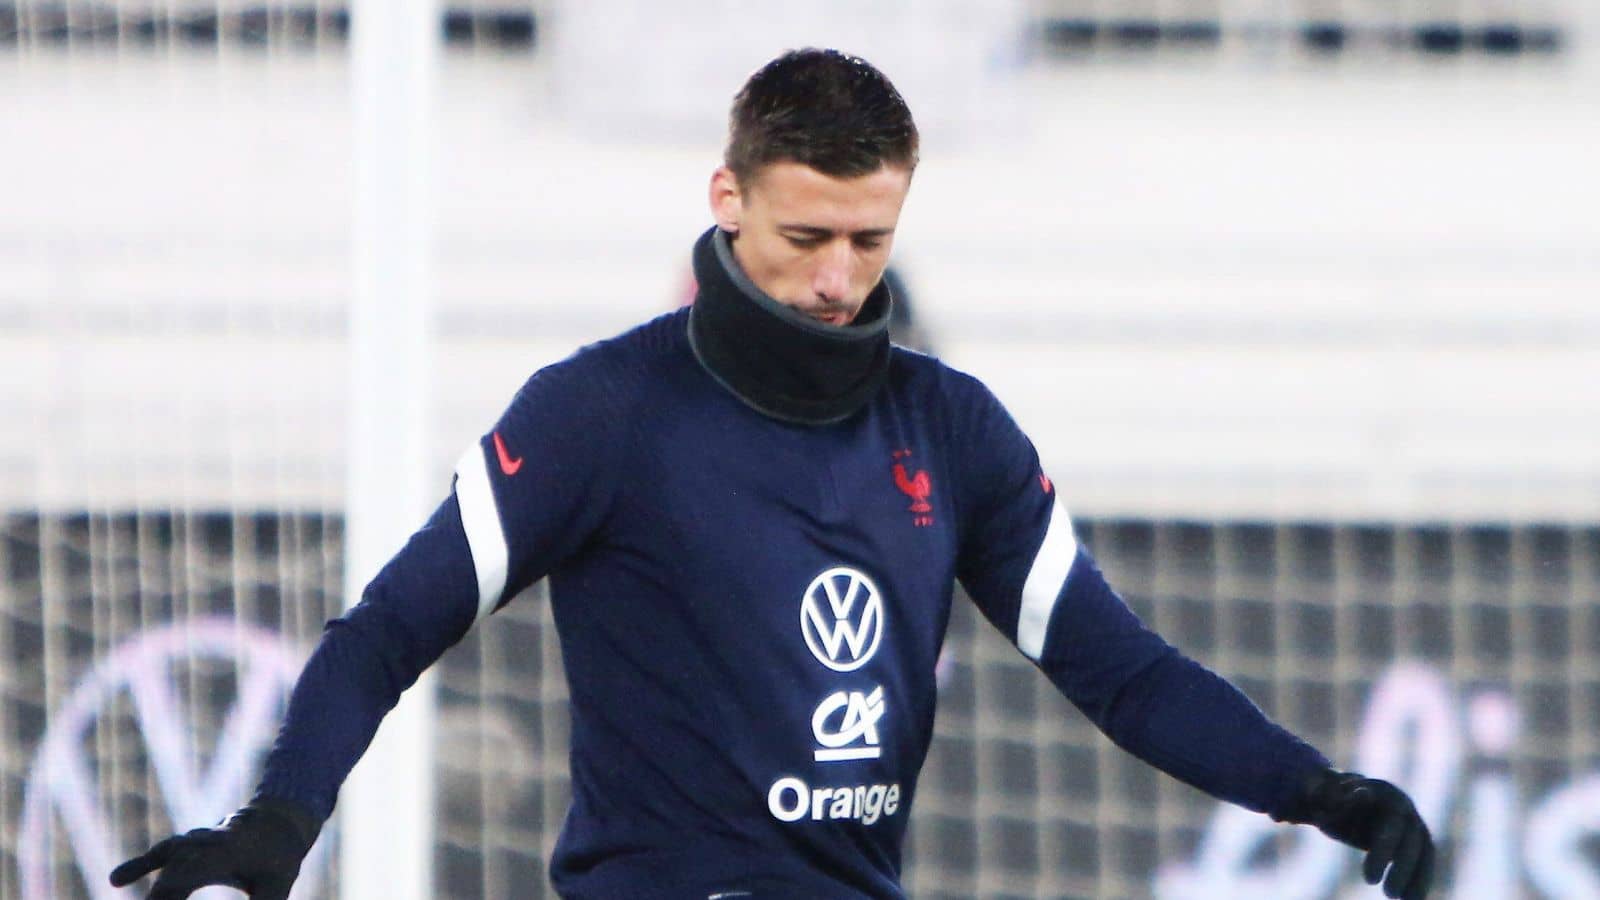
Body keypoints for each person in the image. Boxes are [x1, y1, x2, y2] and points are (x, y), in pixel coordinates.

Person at [110, 49, 1433, 900]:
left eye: (872, 239)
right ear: (728, 199)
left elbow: (1121, 671)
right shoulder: (602, 412)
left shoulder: (953, 430)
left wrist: (1314, 789)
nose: (840, 276)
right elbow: (388, 628)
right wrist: (281, 822)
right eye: (808, 234)